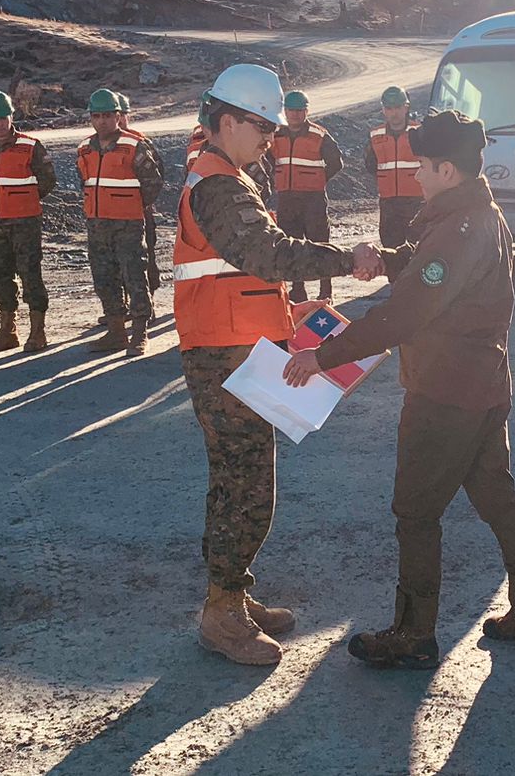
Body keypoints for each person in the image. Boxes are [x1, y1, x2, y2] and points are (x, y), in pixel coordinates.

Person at [282, 110, 515, 670]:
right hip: (481, 385)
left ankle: (414, 633)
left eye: (423, 167)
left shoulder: (460, 227)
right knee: (495, 494)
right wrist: (387, 262)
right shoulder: (477, 214)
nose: (414, 175)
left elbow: (407, 314)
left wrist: (322, 356)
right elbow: (430, 271)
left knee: (415, 511)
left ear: (449, 171)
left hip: (445, 393)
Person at [174, 64, 373, 666]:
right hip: (224, 358)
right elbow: (266, 253)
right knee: (246, 487)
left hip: (235, 350)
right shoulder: (217, 185)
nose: (271, 138)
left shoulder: (224, 176)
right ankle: (222, 615)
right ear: (227, 121)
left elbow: (245, 273)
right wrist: (354, 259)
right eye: (262, 126)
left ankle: (230, 594)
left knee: (236, 481)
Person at [78, 87, 164, 356]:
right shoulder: (84, 149)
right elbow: (85, 182)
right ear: (91, 118)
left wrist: (132, 206)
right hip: (97, 224)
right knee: (104, 277)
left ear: (118, 116)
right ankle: (115, 331)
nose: (102, 121)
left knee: (134, 276)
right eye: (97, 115)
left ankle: (139, 332)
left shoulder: (134, 145)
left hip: (128, 224)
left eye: (108, 115)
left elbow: (153, 182)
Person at [0, 90, 56, 353]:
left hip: (25, 222)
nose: (0, 123)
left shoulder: (30, 146)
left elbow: (47, 181)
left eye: (4, 116)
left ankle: (37, 331)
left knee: (30, 274)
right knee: (0, 276)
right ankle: (8, 330)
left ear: (11, 115)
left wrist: (23, 201)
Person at [271, 89, 345, 303]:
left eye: (299, 110)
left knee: (320, 243)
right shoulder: (277, 135)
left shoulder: (318, 135)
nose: (294, 114)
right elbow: (268, 160)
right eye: (291, 110)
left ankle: (326, 288)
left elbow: (336, 162)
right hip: (287, 198)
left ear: (306, 111)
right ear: (285, 111)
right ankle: (298, 289)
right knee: (291, 244)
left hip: (312, 199)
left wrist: (318, 180)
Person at [117, 92, 165, 298]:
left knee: (145, 258)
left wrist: (140, 203)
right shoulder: (95, 145)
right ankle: (123, 305)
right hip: (110, 216)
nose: (117, 120)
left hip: (139, 213)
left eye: (121, 115)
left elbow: (157, 176)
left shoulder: (139, 142)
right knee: (114, 262)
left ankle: (148, 302)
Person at [367, 86, 423, 247]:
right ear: (383, 110)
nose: (394, 112)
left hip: (417, 202)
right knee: (391, 251)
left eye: (398, 107)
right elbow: (370, 164)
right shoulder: (375, 135)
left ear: (406, 108)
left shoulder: (419, 132)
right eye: (389, 108)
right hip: (389, 203)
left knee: (418, 249)